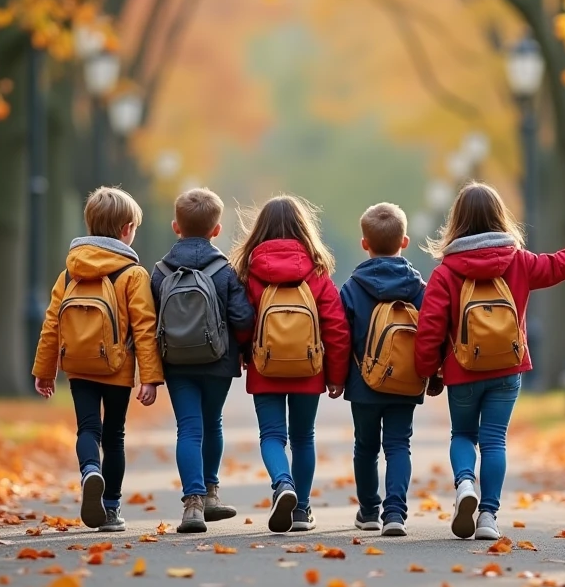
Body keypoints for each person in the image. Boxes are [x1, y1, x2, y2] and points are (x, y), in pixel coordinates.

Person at [414, 182, 565, 541]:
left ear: (457, 221)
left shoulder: (446, 272)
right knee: (494, 440)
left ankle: (465, 483)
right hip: (507, 368)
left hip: (463, 370)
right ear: (500, 217)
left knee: (463, 435)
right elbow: (561, 264)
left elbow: (430, 329)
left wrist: (428, 372)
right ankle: (488, 516)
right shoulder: (519, 262)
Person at [33, 187, 163, 533]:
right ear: (126, 229)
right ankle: (111, 509)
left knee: (87, 428)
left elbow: (52, 323)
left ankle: (90, 470)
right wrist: (150, 377)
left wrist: (45, 371)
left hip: (78, 366)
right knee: (114, 436)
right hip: (117, 367)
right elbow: (145, 327)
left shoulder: (69, 273)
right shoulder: (133, 274)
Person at [231, 195, 350, 533]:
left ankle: (282, 483)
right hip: (308, 368)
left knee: (271, 435)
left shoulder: (249, 272)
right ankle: (302, 510)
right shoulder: (317, 271)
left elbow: (242, 319)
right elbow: (336, 326)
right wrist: (336, 376)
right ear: (304, 228)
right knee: (303, 438)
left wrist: (243, 351)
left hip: (265, 367)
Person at [151, 188, 255, 534]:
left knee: (188, 428)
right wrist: (242, 350)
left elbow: (149, 320)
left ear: (176, 226)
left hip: (176, 361)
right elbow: (242, 317)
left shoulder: (160, 271)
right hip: (218, 360)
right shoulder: (225, 271)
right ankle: (211, 493)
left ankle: (192, 504)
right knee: (213, 423)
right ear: (217, 229)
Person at [340, 202, 431, 537]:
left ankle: (369, 511)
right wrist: (432, 374)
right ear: (404, 241)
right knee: (398, 445)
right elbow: (430, 335)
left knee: (365, 447)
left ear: (365, 243)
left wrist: (337, 378)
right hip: (406, 382)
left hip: (363, 383)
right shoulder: (419, 289)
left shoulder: (352, 288)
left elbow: (341, 338)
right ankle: (395, 513)